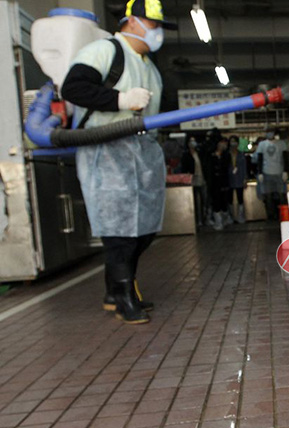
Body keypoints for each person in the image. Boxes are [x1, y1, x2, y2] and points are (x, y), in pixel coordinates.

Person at [60, 0, 177, 325]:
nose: (157, 34)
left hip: (142, 153)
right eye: (154, 26)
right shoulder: (104, 51)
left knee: (143, 229)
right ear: (133, 22)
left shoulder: (150, 67)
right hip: (107, 152)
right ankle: (123, 296)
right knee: (119, 231)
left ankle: (116, 291)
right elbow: (73, 87)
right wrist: (120, 100)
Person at [255, 130, 288, 220]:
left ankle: (282, 215)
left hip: (279, 172)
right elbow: (260, 159)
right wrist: (260, 172)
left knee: (281, 195)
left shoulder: (281, 143)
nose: (270, 134)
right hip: (266, 172)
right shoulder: (262, 144)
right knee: (268, 196)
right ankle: (270, 216)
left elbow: (285, 157)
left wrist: (286, 171)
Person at [181, 137, 207, 227]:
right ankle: (197, 220)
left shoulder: (200, 153)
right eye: (191, 141)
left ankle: (204, 218)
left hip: (202, 178)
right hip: (192, 180)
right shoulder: (186, 155)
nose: (193, 143)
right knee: (195, 201)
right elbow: (184, 167)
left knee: (204, 199)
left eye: (194, 140)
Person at [208, 138, 230, 231]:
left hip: (224, 181)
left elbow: (227, 167)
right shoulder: (210, 155)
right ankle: (218, 222)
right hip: (214, 182)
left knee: (224, 202)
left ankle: (224, 219)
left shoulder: (226, 155)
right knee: (216, 202)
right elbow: (208, 169)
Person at [228, 135, 246, 223]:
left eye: (234, 141)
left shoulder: (241, 154)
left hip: (239, 178)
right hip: (229, 179)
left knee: (240, 198)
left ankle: (240, 216)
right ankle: (231, 217)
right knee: (229, 199)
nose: (233, 143)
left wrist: (245, 179)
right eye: (231, 141)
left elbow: (244, 167)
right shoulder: (227, 154)